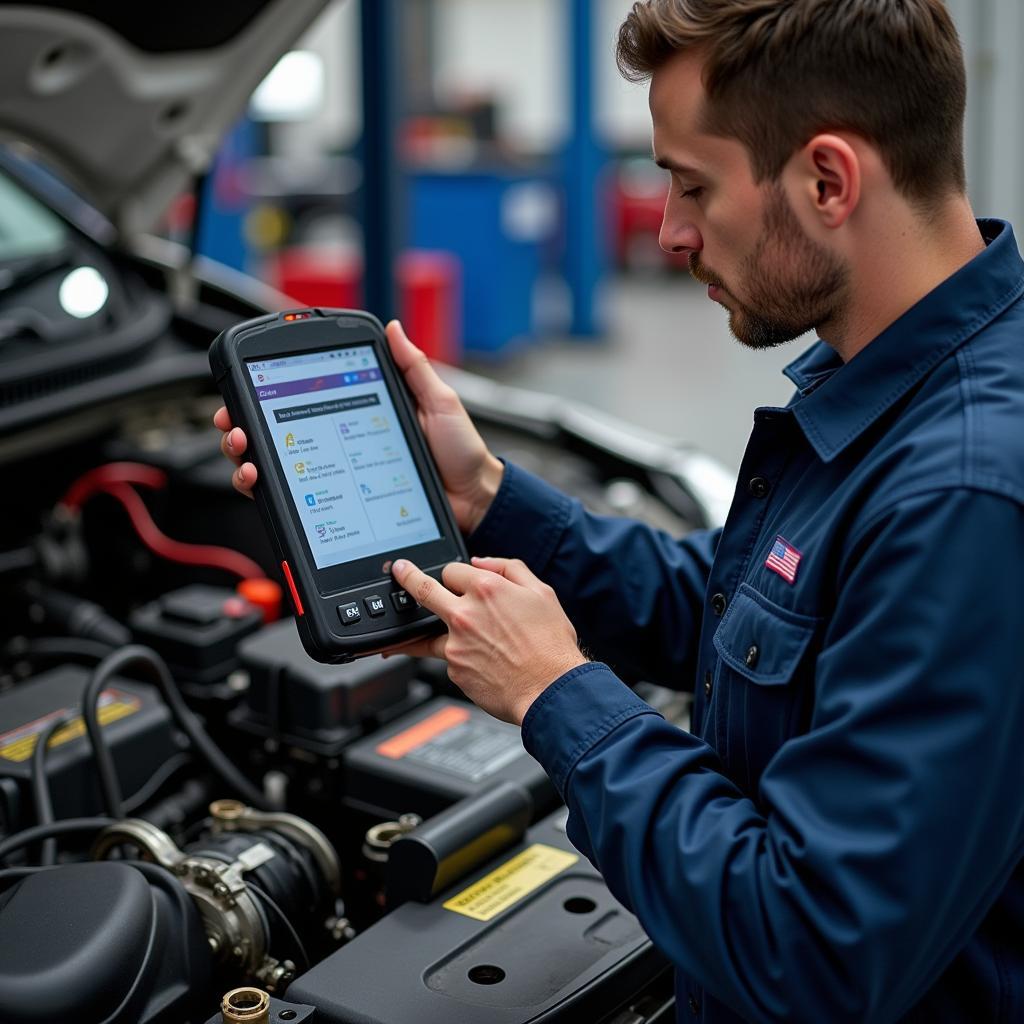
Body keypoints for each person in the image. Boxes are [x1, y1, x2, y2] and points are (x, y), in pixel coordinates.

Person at [216, 1, 1024, 1020]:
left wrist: (559, 695)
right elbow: (755, 618)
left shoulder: (964, 494)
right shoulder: (914, 379)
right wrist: (488, 501)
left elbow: (814, 951)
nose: (672, 231)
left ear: (828, 179)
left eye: (692, 184)